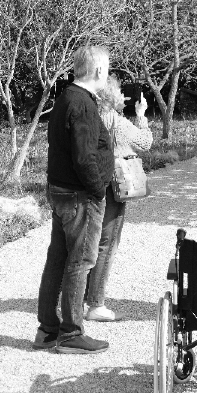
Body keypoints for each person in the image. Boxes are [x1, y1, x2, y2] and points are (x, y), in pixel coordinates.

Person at [34, 44, 113, 354]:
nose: (107, 74)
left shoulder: (67, 97)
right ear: (97, 71)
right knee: (80, 261)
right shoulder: (80, 103)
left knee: (58, 259)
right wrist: (97, 190)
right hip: (79, 196)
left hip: (62, 191)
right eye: (106, 69)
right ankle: (71, 332)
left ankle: (47, 330)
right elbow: (83, 158)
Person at [84, 76, 153, 321]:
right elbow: (145, 142)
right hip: (114, 187)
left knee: (87, 241)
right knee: (107, 243)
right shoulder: (118, 123)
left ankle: (81, 297)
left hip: (89, 184)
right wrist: (141, 115)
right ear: (112, 96)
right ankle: (96, 303)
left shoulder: (88, 116)